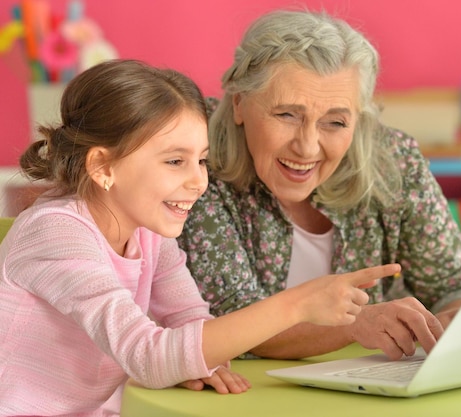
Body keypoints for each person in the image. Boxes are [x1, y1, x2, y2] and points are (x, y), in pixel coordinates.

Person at [0, 59, 400, 416]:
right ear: (103, 166)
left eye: (201, 160)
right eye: (175, 161)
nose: (198, 181)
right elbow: (146, 355)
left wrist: (196, 361)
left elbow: (189, 318)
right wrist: (297, 304)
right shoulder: (57, 232)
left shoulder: (149, 233)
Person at [178, 10, 461, 362]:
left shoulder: (396, 162)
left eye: (335, 122)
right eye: (286, 115)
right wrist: (356, 324)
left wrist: (452, 320)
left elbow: (455, 283)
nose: (307, 147)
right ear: (239, 104)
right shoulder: (196, 164)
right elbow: (234, 320)